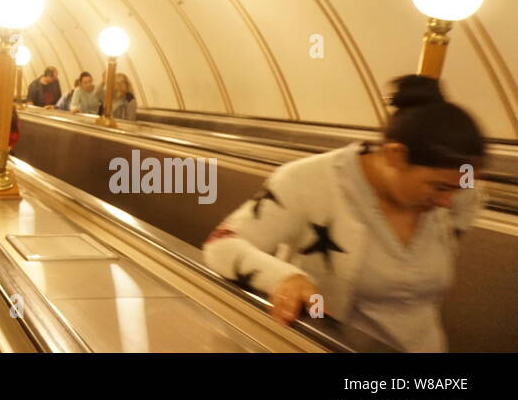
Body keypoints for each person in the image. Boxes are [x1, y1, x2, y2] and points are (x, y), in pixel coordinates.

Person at [203, 75, 486, 352]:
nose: (447, 203)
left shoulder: (457, 194)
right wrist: (284, 277)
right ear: (395, 155)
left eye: (458, 188)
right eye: (438, 188)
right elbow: (222, 245)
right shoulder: (307, 181)